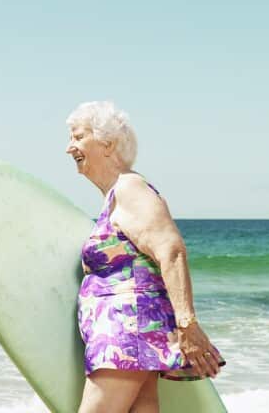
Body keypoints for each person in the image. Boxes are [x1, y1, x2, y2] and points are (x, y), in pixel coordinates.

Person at [66, 101, 224, 413]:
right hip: (129, 334)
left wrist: (187, 323)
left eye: (79, 137)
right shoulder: (115, 196)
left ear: (108, 144)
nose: (70, 147)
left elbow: (171, 250)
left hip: (126, 334)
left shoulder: (130, 187)